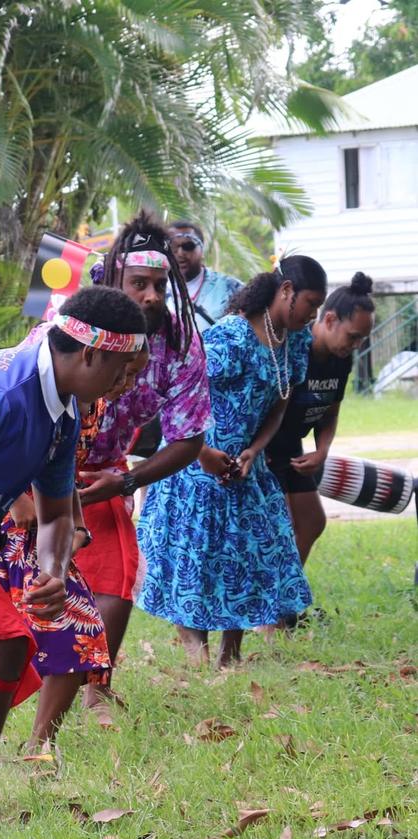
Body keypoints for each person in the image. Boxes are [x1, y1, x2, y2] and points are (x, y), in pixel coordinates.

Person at [0, 285, 146, 814]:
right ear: (90, 353)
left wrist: (52, 571)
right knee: (0, 643)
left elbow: (53, 513)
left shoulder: (66, 408)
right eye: (120, 369)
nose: (123, 383)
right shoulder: (0, 394)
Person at [137, 256, 327, 667]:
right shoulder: (231, 337)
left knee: (244, 557)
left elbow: (280, 401)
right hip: (196, 459)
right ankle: (195, 651)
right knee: (195, 557)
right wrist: (202, 452)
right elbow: (179, 398)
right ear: (287, 291)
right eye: (310, 303)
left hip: (243, 465)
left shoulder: (294, 340)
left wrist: (255, 450)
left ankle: (231, 654)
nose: (313, 314)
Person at [76, 212, 212, 717]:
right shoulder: (73, 322)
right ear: (115, 280)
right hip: (39, 465)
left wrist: (126, 480)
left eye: (160, 284)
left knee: (116, 580)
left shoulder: (179, 343)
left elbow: (190, 437)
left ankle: (97, 689)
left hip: (106, 471)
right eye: (139, 284)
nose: (152, 295)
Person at [0, 343, 149, 752]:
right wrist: (14, 500)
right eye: (121, 372)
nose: (124, 384)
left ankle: (39, 747)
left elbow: (60, 474)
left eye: (134, 376)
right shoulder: (24, 387)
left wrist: (74, 526)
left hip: (43, 525)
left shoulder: (88, 407)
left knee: (77, 628)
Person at [266, 272, 375, 567]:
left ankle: (286, 603)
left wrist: (322, 450)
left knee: (312, 522)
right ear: (329, 320)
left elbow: (331, 412)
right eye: (353, 336)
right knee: (279, 530)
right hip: (265, 449)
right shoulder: (294, 348)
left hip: (291, 450)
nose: (355, 345)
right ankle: (273, 608)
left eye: (362, 339)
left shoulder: (342, 360)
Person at [167, 220, 242, 332]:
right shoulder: (154, 289)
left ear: (202, 250)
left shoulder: (230, 289)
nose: (180, 253)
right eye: (172, 247)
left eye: (188, 246)